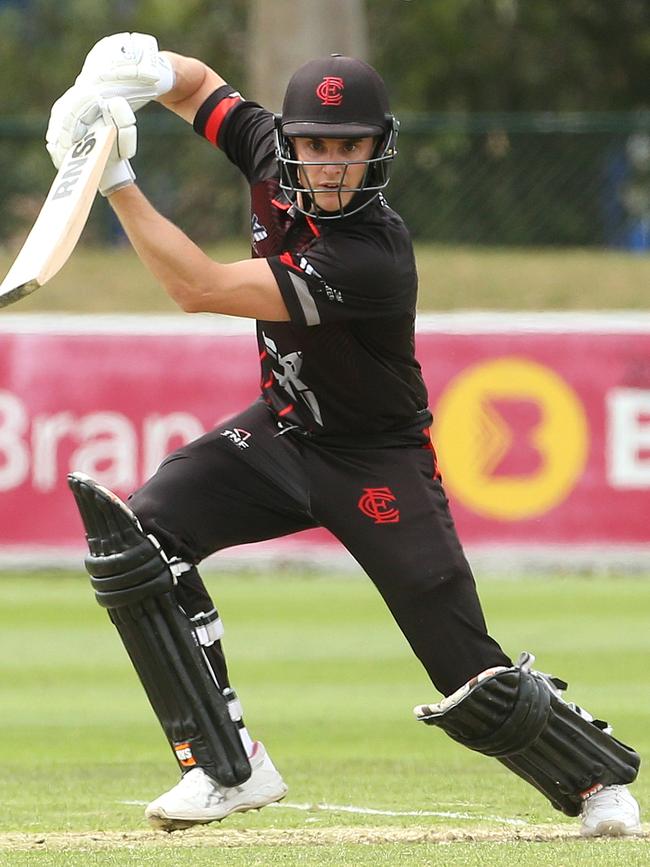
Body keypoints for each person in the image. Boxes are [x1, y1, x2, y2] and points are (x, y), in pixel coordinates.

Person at [46, 33, 642, 836]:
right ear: (289, 142)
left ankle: (598, 780)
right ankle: (228, 766)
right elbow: (200, 89)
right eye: (314, 145)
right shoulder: (268, 150)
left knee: (465, 668)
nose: (328, 164)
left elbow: (201, 288)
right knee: (143, 538)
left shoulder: (372, 255)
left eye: (348, 148)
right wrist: (139, 72)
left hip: (377, 460)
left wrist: (113, 176)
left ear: (377, 150)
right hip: (284, 432)